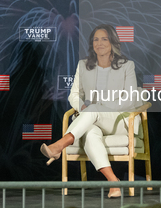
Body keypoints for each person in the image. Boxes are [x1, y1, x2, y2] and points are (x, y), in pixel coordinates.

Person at [40, 24, 141, 198]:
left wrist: (101, 107)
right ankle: (113, 182)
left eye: (104, 39)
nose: (99, 43)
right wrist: (83, 107)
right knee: (90, 133)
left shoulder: (127, 66)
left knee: (93, 110)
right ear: (91, 43)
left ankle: (60, 145)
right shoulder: (83, 65)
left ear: (113, 42)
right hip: (91, 119)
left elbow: (131, 99)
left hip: (119, 121)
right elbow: (74, 95)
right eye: (95, 39)